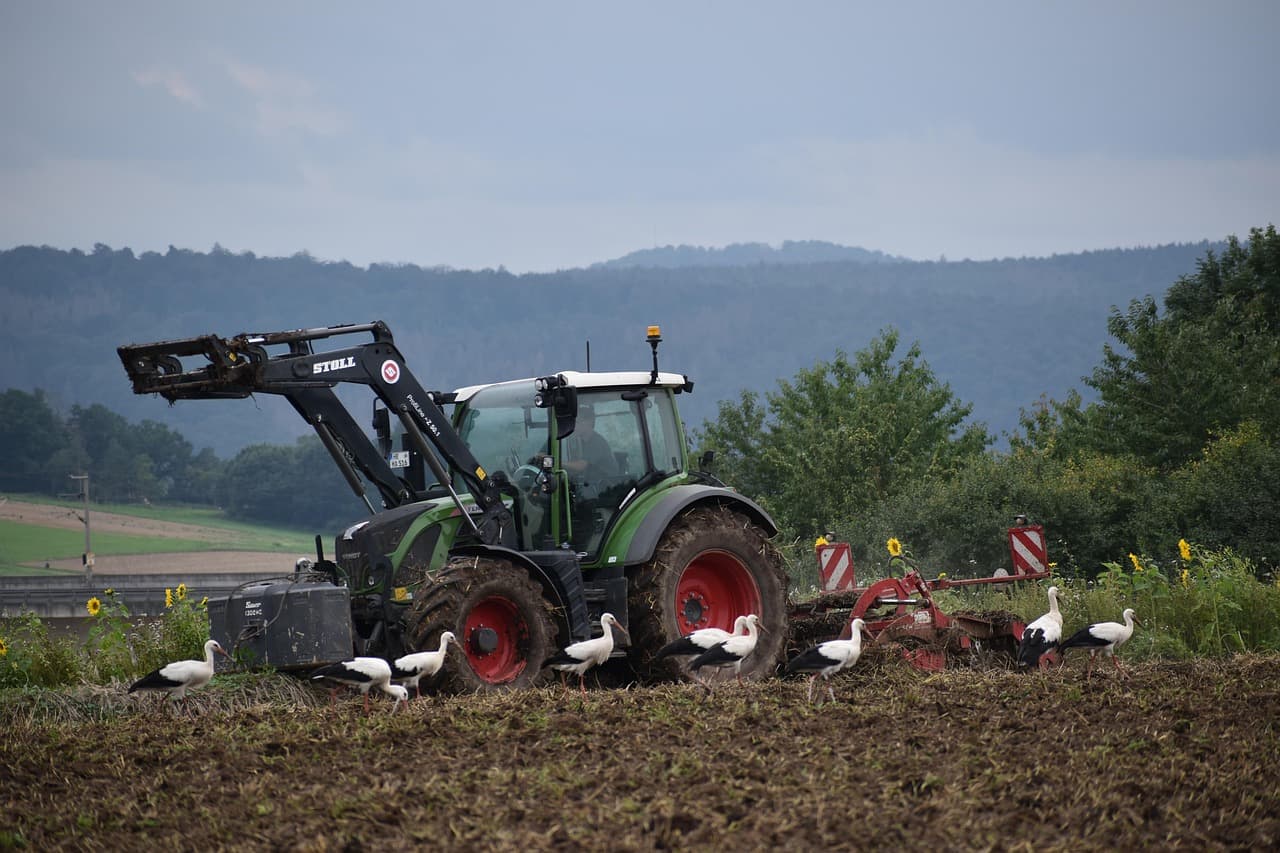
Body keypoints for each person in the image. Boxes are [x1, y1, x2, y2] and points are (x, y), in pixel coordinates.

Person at [563, 404, 617, 486]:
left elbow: (581, 466)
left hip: (605, 486)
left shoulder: (597, 442)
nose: (573, 426)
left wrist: (559, 463)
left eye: (577, 422)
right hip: (590, 483)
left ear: (589, 422)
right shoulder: (579, 442)